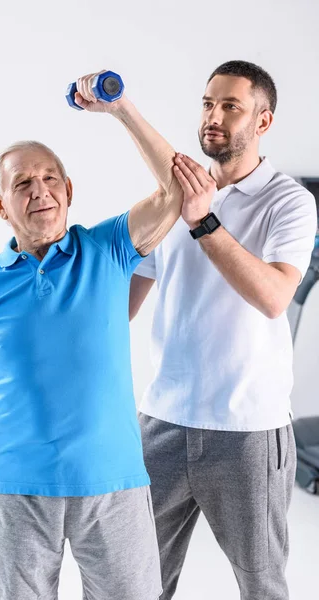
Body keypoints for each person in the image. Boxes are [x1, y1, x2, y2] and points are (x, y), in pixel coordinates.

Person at [0, 70, 185, 600]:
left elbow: (178, 189)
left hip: (114, 483)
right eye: (23, 184)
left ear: (70, 190)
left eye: (51, 178)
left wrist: (120, 109)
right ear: (0, 204)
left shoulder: (108, 248)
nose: (40, 192)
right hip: (17, 490)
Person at [130, 60, 317, 600]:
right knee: (137, 579)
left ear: (263, 121)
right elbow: (122, 307)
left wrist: (203, 221)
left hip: (247, 430)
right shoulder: (175, 199)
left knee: (261, 585)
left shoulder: (289, 202)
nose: (214, 116)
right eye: (209, 104)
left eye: (230, 106)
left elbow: (274, 296)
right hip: (162, 421)